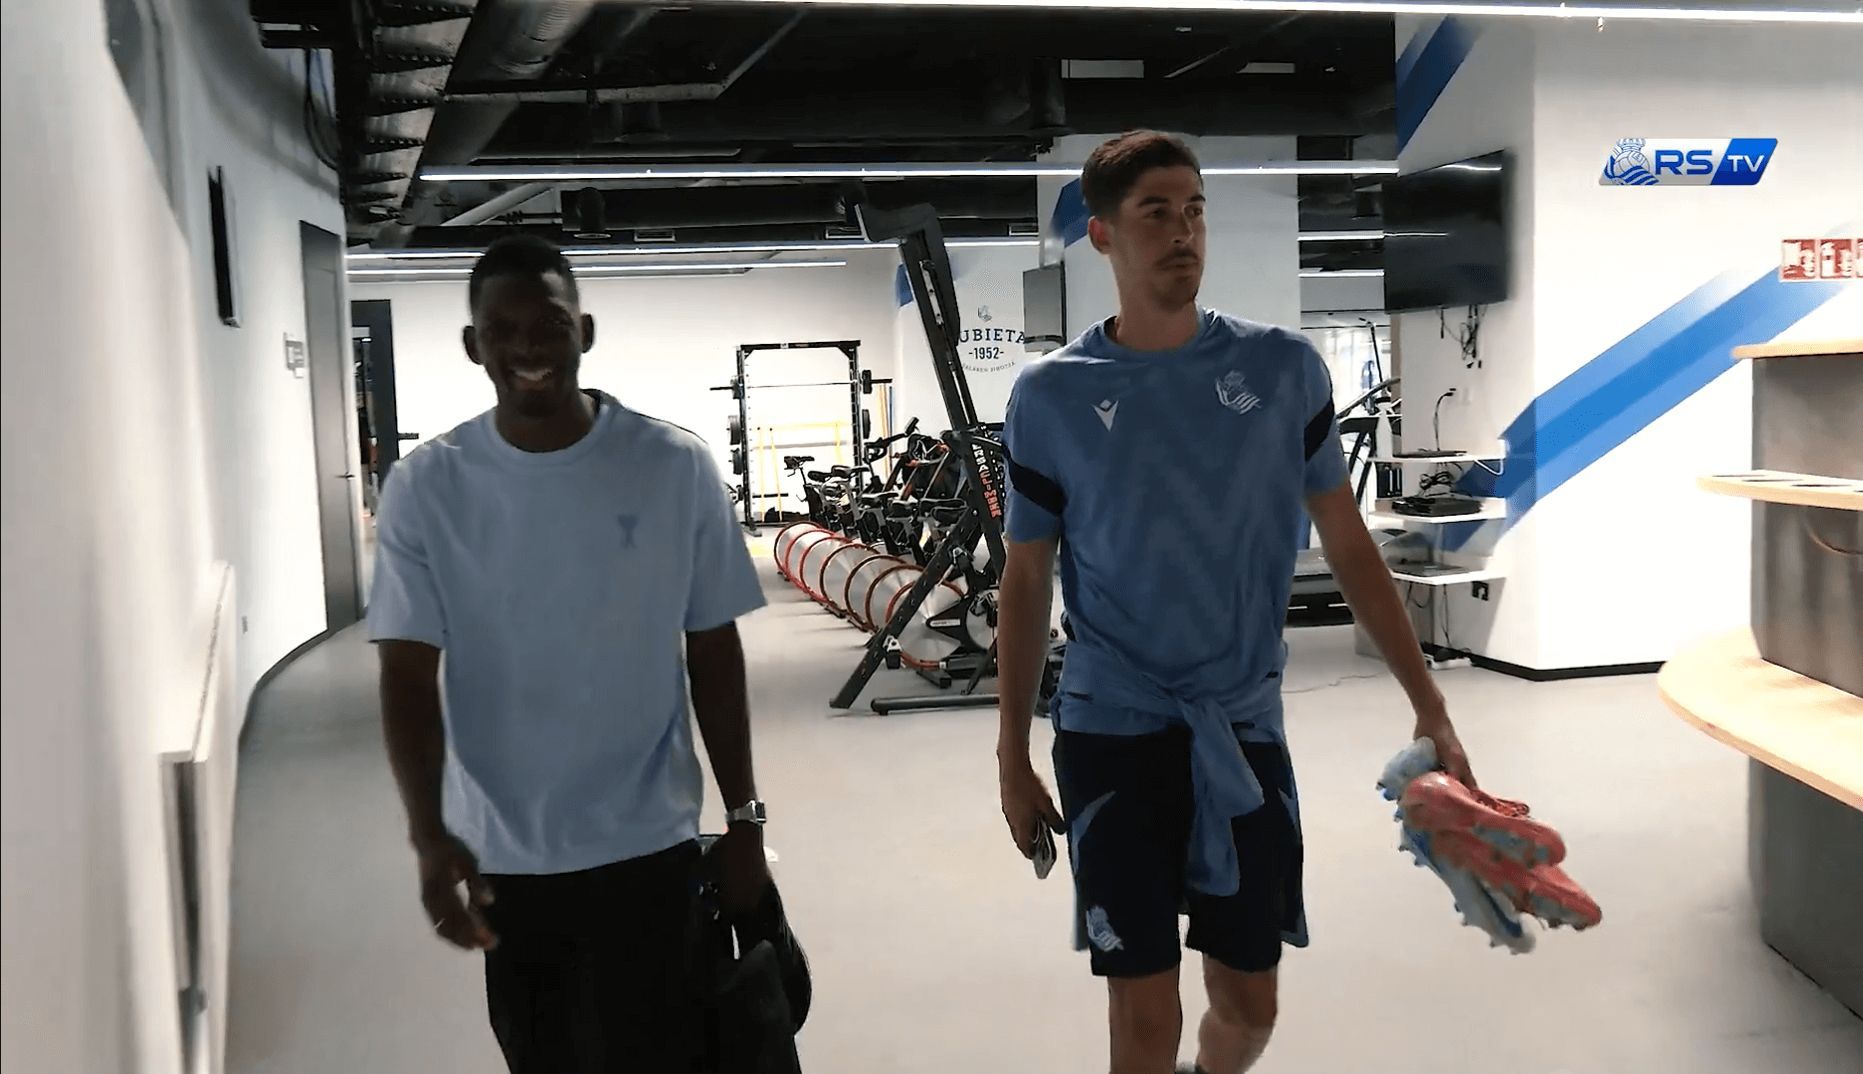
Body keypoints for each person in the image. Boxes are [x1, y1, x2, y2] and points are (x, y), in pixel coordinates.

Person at [993, 131, 1479, 1074]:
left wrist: (1429, 702)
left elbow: (1347, 543)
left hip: (1241, 722)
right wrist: (1011, 752)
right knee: (1141, 1014)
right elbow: (1024, 578)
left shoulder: (1281, 370)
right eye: (1155, 214)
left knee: (1249, 1002)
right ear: (1100, 236)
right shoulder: (1050, 395)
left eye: (1194, 210)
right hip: (1111, 726)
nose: (1183, 233)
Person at [368, 235, 772, 1073]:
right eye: (502, 329)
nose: (527, 348)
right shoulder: (427, 486)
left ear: (583, 331)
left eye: (548, 324)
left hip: (649, 843)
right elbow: (406, 673)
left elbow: (713, 647)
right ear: (473, 346)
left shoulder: (672, 465)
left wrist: (742, 818)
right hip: (504, 854)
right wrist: (427, 837)